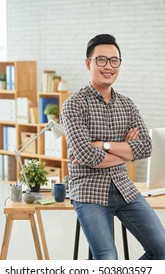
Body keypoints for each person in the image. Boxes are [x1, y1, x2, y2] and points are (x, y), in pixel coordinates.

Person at [61, 34, 165, 260]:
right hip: (89, 191)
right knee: (108, 259)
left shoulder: (127, 105)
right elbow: (87, 155)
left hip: (124, 188)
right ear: (88, 63)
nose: (108, 66)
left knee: (163, 250)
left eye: (114, 60)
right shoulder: (74, 105)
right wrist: (127, 151)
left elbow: (146, 148)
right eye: (101, 60)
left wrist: (104, 145)